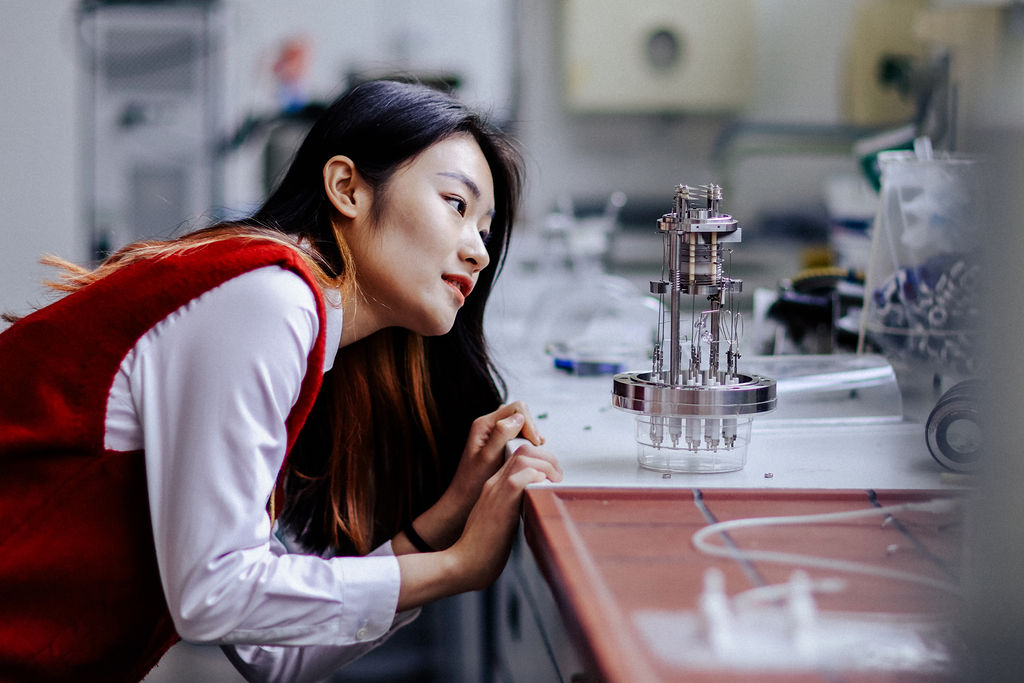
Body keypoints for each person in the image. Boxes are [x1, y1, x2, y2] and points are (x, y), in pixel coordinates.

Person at [0, 79, 562, 683]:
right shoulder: (269, 298)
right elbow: (213, 596)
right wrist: (457, 568)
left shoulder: (301, 328)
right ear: (346, 187)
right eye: (457, 203)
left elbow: (274, 654)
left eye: (485, 227)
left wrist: (443, 523)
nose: (479, 250)